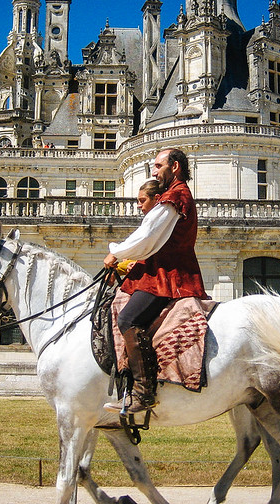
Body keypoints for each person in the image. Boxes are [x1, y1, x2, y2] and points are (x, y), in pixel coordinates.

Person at [103, 148, 208, 414]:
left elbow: (147, 237)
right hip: (159, 269)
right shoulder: (172, 196)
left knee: (128, 320)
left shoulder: (174, 197)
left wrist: (116, 252)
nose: (153, 170)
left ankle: (144, 391)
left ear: (175, 167)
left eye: (158, 165)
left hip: (167, 275)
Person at [115, 179, 164, 278]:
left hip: (162, 277)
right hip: (156, 272)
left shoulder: (160, 220)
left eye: (143, 200)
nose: (138, 205)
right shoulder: (154, 219)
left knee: (124, 293)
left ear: (157, 199)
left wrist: (114, 256)